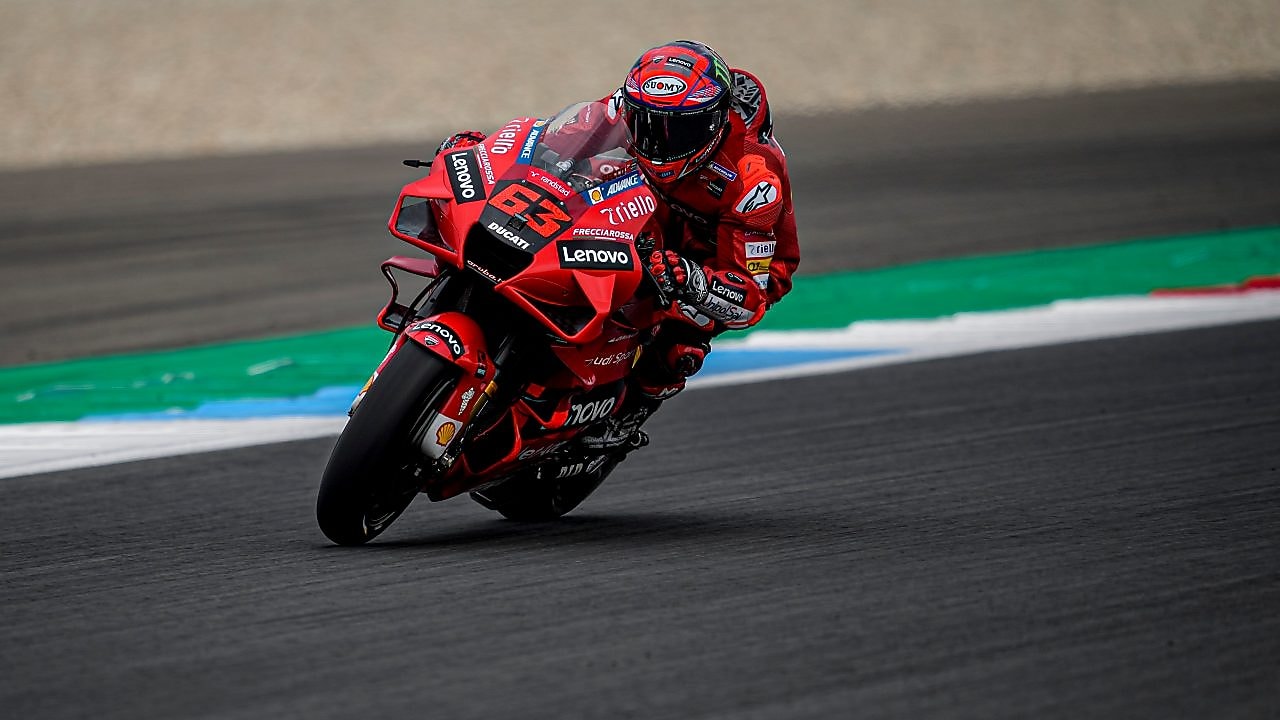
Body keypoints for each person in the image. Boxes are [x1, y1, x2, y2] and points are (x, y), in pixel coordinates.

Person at [438, 40, 800, 450]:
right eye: (647, 124)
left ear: (714, 121)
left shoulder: (754, 179)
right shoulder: (625, 105)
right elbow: (551, 140)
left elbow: (749, 295)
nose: (659, 142)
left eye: (679, 129)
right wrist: (485, 152)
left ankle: (626, 415)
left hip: (716, 255)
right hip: (647, 204)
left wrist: (692, 280)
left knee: (680, 343)